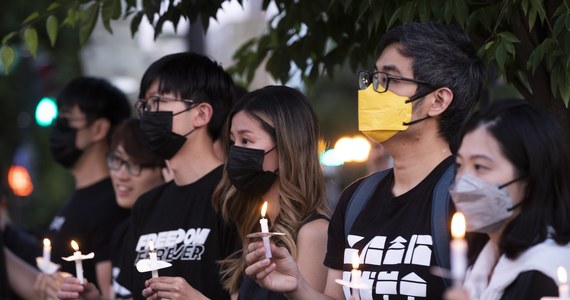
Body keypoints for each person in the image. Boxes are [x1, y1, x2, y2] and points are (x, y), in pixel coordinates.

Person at [245, 22, 486, 299]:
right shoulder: (356, 199)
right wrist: (297, 286)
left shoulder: (470, 195)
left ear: (438, 101)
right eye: (373, 78)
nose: (373, 91)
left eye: (390, 80)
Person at [112, 52, 240, 300]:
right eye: (145, 106)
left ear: (201, 114)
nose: (148, 115)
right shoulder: (146, 206)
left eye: (158, 102)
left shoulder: (235, 195)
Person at [444, 99, 570, 300]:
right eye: (459, 165)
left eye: (480, 167)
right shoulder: (485, 260)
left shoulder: (546, 275)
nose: (463, 182)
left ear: (530, 177)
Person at [56, 118, 167, 299]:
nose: (121, 175)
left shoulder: (173, 233)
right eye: (116, 160)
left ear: (164, 167)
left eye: (134, 164)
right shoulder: (122, 232)